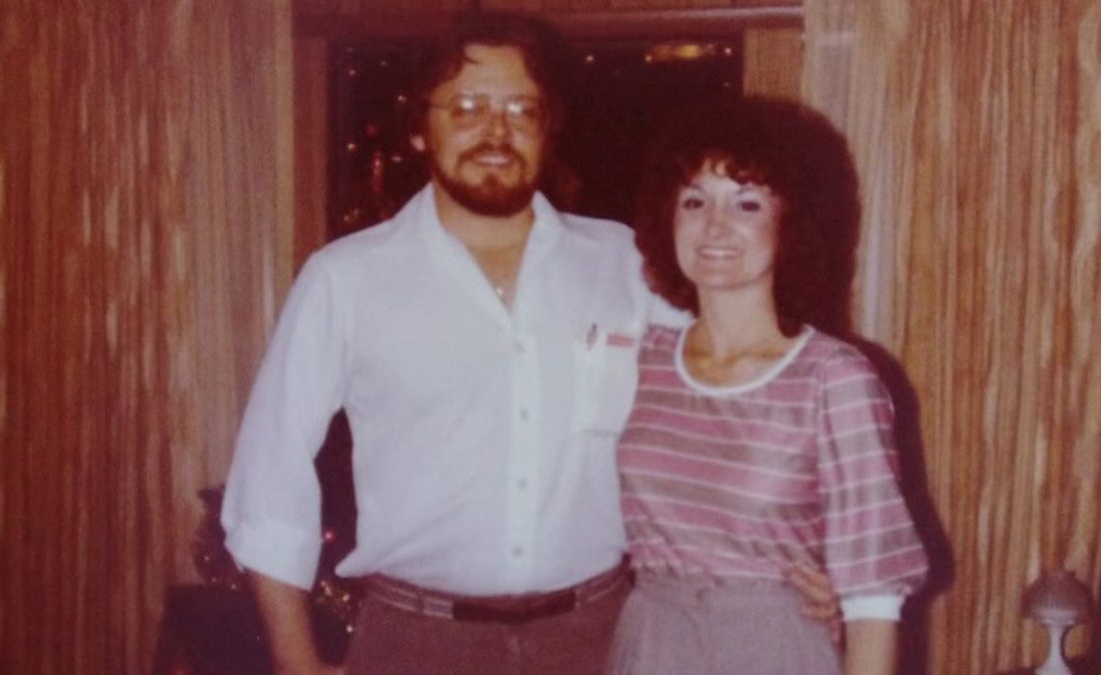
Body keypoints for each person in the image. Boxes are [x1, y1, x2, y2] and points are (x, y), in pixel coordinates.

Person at [221, 12, 836, 675]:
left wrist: (815, 555)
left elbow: (742, 396)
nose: (495, 129)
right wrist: (295, 660)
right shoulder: (344, 279)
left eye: (521, 108)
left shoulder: (627, 263)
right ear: (421, 128)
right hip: (414, 642)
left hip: (598, 637)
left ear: (549, 128)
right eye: (467, 106)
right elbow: (271, 471)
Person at [604, 96, 931, 675]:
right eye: (694, 200)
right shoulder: (645, 360)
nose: (715, 226)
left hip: (773, 647)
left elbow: (874, 597)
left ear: (792, 223)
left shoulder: (835, 379)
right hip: (652, 640)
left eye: (747, 203)